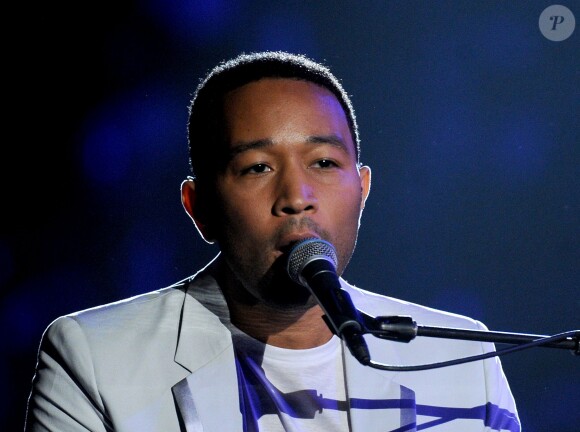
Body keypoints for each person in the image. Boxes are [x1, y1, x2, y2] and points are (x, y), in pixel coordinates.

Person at [25, 51, 521, 432]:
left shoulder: (463, 366)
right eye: (257, 167)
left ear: (363, 190)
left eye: (324, 163)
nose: (296, 197)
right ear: (199, 209)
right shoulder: (94, 359)